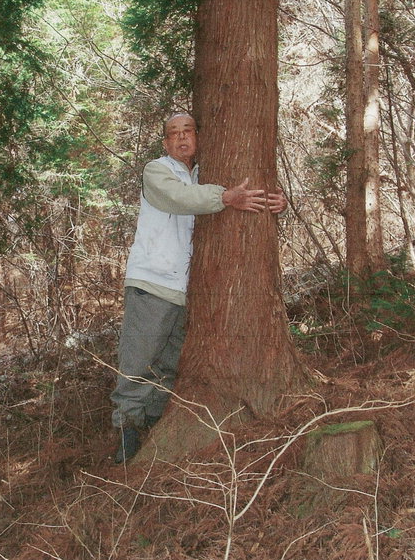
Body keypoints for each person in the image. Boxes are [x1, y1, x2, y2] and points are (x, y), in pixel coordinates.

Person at [111, 113, 287, 463]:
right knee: (138, 361)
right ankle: (125, 436)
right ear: (165, 143)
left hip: (185, 290)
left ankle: (153, 426)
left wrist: (275, 204)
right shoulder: (157, 171)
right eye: (173, 134)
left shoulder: (203, 176)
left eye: (187, 132)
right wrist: (226, 196)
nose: (181, 139)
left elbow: (218, 207)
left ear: (199, 137)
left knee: (171, 365)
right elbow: (181, 199)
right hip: (153, 283)